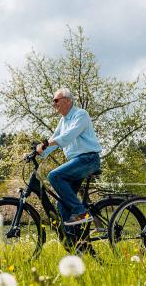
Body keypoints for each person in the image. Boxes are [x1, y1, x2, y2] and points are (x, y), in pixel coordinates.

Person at [36, 88, 102, 226]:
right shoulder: (63, 120)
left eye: (56, 100)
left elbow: (68, 136)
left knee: (54, 176)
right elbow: (54, 140)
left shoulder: (81, 114)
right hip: (77, 162)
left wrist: (46, 143)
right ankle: (77, 245)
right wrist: (38, 152)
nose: (54, 104)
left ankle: (81, 212)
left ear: (67, 100)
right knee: (62, 205)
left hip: (88, 159)